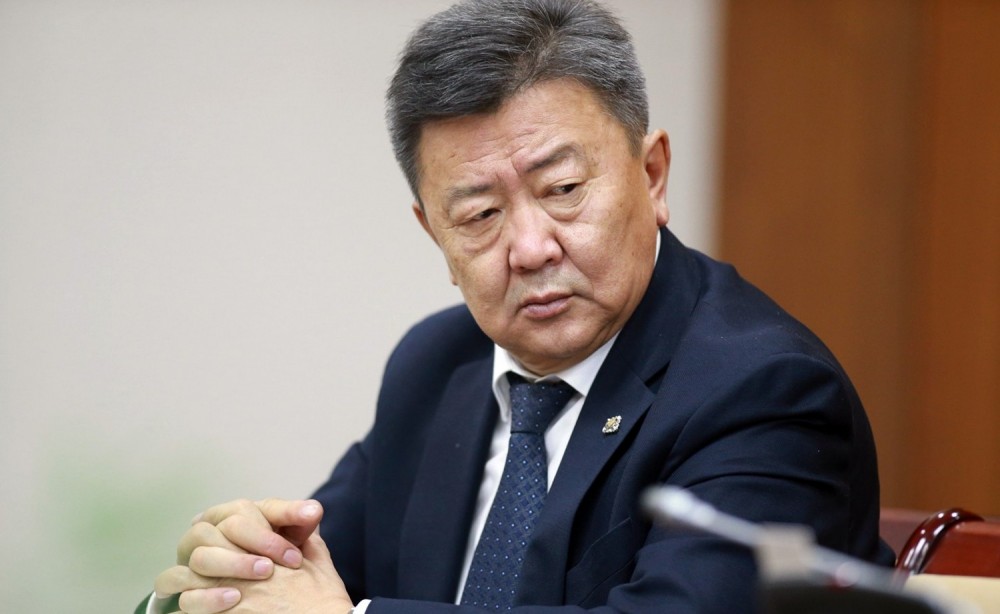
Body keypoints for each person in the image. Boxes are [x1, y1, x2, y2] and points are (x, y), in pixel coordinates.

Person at [138, 1, 895, 612]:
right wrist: (222, 582)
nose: (530, 248)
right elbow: (306, 577)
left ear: (653, 175)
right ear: (434, 234)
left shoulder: (764, 390)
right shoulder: (437, 366)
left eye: (563, 190)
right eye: (479, 215)